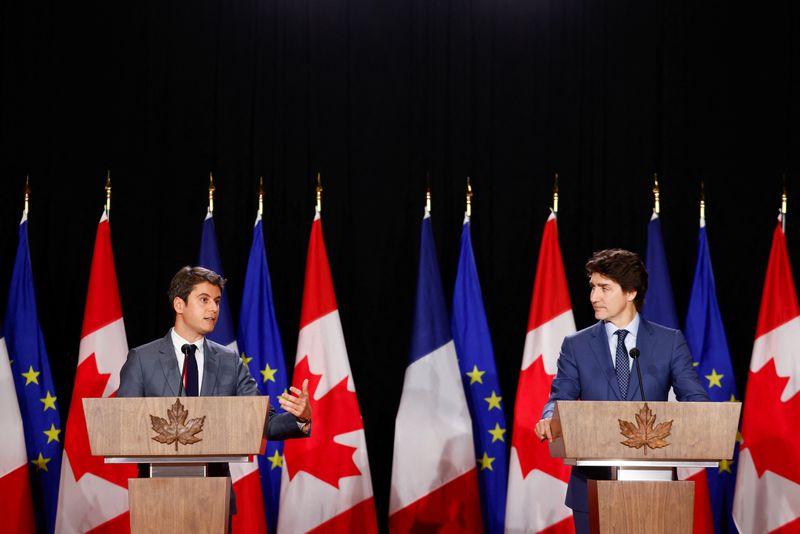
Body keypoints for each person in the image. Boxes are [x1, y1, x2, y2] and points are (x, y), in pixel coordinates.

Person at [533, 249, 708, 534]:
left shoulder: (669, 342)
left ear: (630, 292)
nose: (593, 297)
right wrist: (551, 418)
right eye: (592, 287)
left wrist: (698, 419)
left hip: (654, 486)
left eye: (604, 288)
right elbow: (560, 397)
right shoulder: (576, 345)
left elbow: (696, 401)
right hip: (591, 486)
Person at [117, 266, 311, 516]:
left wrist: (301, 418)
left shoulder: (230, 361)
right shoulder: (142, 359)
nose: (214, 309)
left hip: (213, 500)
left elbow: (265, 423)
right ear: (179, 304)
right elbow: (123, 424)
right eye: (204, 300)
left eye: (217, 301)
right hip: (156, 498)